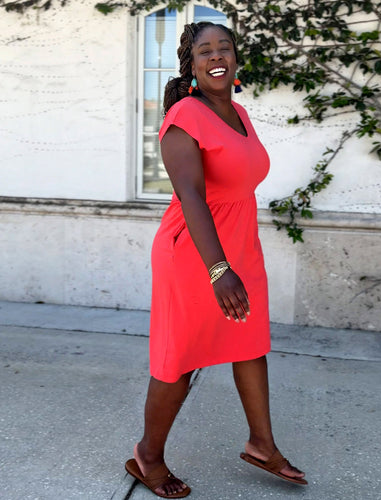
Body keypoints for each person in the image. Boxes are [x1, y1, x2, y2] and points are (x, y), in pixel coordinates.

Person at [124, 21, 307, 498]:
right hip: (196, 253)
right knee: (180, 360)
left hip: (241, 244)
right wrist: (219, 269)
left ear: (234, 56)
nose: (216, 55)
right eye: (205, 50)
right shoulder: (185, 115)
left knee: (250, 343)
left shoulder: (240, 113)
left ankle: (262, 445)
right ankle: (148, 456)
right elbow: (191, 197)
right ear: (192, 64)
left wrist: (233, 262)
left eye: (224, 47)